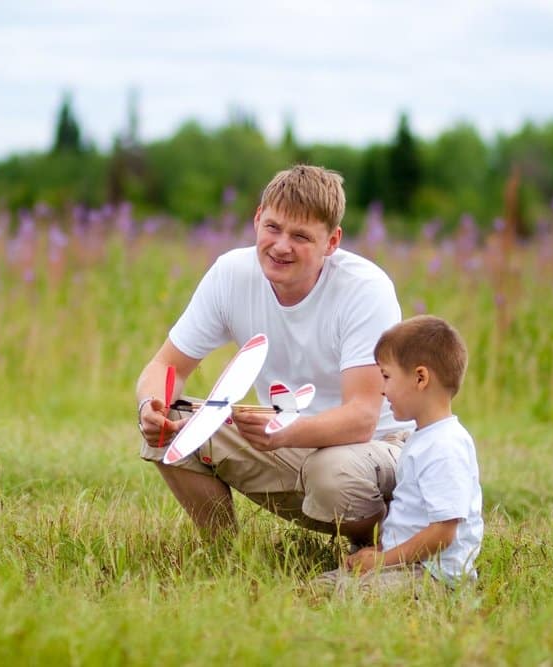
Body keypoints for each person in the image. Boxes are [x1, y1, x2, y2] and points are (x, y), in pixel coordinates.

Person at [135, 165, 413, 546]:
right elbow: (166, 366)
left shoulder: (365, 289)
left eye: (301, 236)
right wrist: (151, 406)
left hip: (376, 448)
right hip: (289, 441)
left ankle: (382, 542)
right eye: (273, 228)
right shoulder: (231, 273)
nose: (281, 246)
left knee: (331, 473)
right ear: (256, 220)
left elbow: (363, 418)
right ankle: (224, 554)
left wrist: (283, 433)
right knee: (174, 427)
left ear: (332, 242)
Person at [318, 315, 483, 593]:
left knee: (350, 595)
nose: (382, 390)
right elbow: (410, 518)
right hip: (404, 562)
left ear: (420, 378)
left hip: (433, 575)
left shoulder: (445, 446)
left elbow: (443, 532)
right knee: (317, 588)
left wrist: (382, 561)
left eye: (386, 377)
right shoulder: (423, 438)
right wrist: (379, 552)